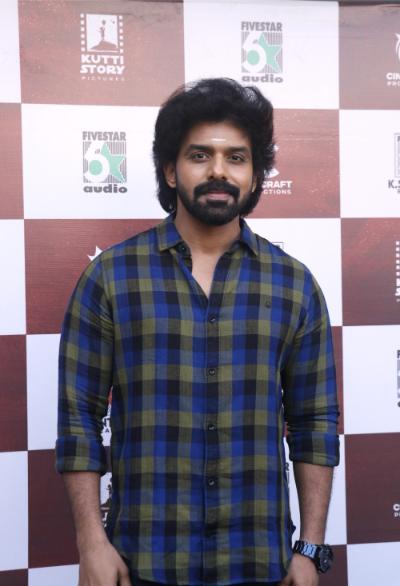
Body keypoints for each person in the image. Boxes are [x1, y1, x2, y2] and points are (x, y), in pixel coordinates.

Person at [56, 78, 339, 586]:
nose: (218, 171)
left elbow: (315, 423)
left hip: (261, 564)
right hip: (143, 564)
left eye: (236, 158)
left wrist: (311, 547)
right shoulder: (111, 278)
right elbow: (78, 419)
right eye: (199, 155)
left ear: (255, 175)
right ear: (171, 170)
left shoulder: (294, 285)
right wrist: (90, 542)